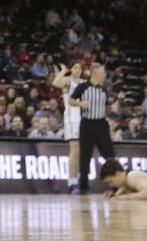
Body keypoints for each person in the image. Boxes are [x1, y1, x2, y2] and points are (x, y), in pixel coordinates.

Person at [70, 63, 115, 194]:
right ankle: (83, 186)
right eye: (103, 73)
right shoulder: (83, 87)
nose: (105, 75)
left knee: (109, 154)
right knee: (85, 155)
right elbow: (71, 100)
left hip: (101, 124)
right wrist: (80, 103)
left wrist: (110, 110)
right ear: (96, 73)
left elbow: (105, 106)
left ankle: (117, 183)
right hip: (87, 123)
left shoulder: (104, 89)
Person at [52, 61, 84, 194]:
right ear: (71, 69)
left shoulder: (84, 83)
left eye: (80, 68)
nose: (77, 70)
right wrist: (63, 71)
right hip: (72, 117)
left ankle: (80, 179)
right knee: (75, 147)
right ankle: (72, 182)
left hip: (85, 117)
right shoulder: (67, 80)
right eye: (75, 67)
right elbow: (55, 83)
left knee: (83, 150)